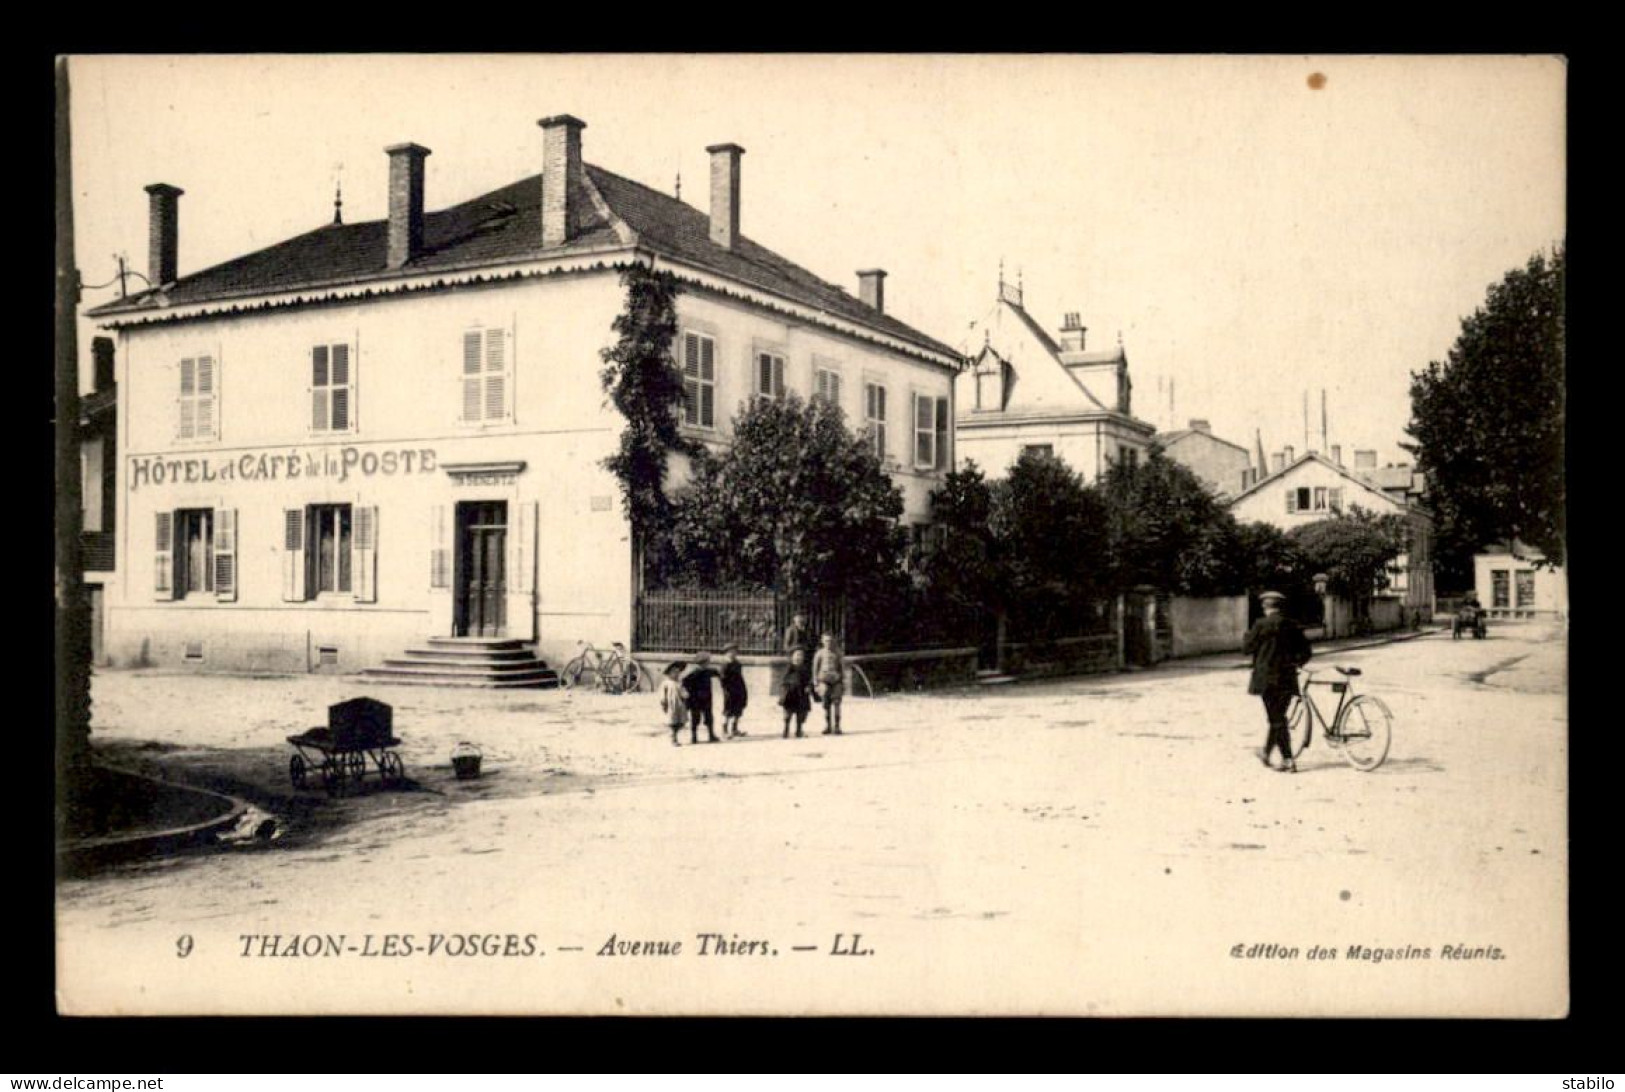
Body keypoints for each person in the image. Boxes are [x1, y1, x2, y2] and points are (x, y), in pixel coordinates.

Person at [1244, 590, 1312, 772]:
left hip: (1266, 679)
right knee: (1278, 717)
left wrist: (1249, 636)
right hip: (1288, 679)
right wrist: (1295, 663)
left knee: (1276, 719)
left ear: (1265, 607)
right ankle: (1266, 753)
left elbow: (1246, 648)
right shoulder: (1292, 625)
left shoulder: (1260, 624)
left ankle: (1288, 759)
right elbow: (1306, 652)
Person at [681, 651, 721, 745]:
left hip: (705, 698)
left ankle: (709, 735)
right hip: (696, 699)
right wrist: (686, 694)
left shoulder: (707, 671)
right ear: (703, 662)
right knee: (696, 717)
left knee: (707, 717)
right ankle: (695, 736)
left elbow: (716, 672)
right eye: (708, 661)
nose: (709, 663)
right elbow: (684, 682)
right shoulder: (694, 673)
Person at [811, 632, 845, 736]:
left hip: (836, 681)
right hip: (824, 681)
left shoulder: (838, 653)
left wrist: (842, 681)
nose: (828, 643)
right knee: (826, 704)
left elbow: (842, 668)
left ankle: (837, 726)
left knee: (837, 703)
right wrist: (816, 683)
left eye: (830, 641)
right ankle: (828, 726)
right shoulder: (819, 653)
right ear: (822, 641)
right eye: (826, 641)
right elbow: (815, 669)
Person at [779, 648, 813, 739]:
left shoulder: (805, 668)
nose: (798, 657)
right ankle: (786, 729)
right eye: (796, 655)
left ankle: (799, 730)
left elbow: (809, 680)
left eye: (801, 655)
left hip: (802, 693)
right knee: (788, 713)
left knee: (801, 713)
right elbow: (783, 680)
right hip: (790, 693)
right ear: (792, 657)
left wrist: (809, 686)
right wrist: (785, 689)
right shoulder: (789, 667)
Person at [720, 643, 748, 738]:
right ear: (726, 653)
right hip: (729, 690)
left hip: (739, 688)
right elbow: (723, 679)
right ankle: (725, 730)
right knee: (728, 710)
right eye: (731, 652)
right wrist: (727, 690)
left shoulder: (737, 664)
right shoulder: (725, 664)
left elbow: (740, 677)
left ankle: (734, 729)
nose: (734, 653)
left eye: (735, 651)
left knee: (738, 709)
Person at [658, 661, 688, 747]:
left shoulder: (679, 683)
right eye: (674, 672)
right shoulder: (666, 683)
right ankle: (673, 737)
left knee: (681, 722)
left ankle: (675, 733)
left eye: (678, 672)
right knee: (672, 722)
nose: (677, 674)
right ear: (669, 673)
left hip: (680, 705)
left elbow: (683, 692)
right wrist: (663, 702)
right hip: (671, 705)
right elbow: (662, 694)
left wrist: (685, 695)